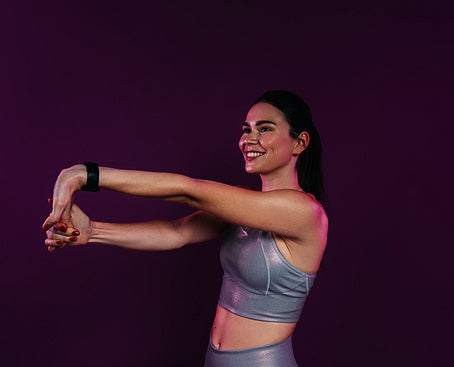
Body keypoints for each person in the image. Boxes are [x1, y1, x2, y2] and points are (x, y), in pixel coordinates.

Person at [43, 90, 329, 367]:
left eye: (264, 129)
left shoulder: (304, 212)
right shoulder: (244, 202)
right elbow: (177, 233)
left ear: (299, 143)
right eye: (246, 129)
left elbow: (190, 191)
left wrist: (82, 174)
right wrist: (93, 231)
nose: (248, 139)